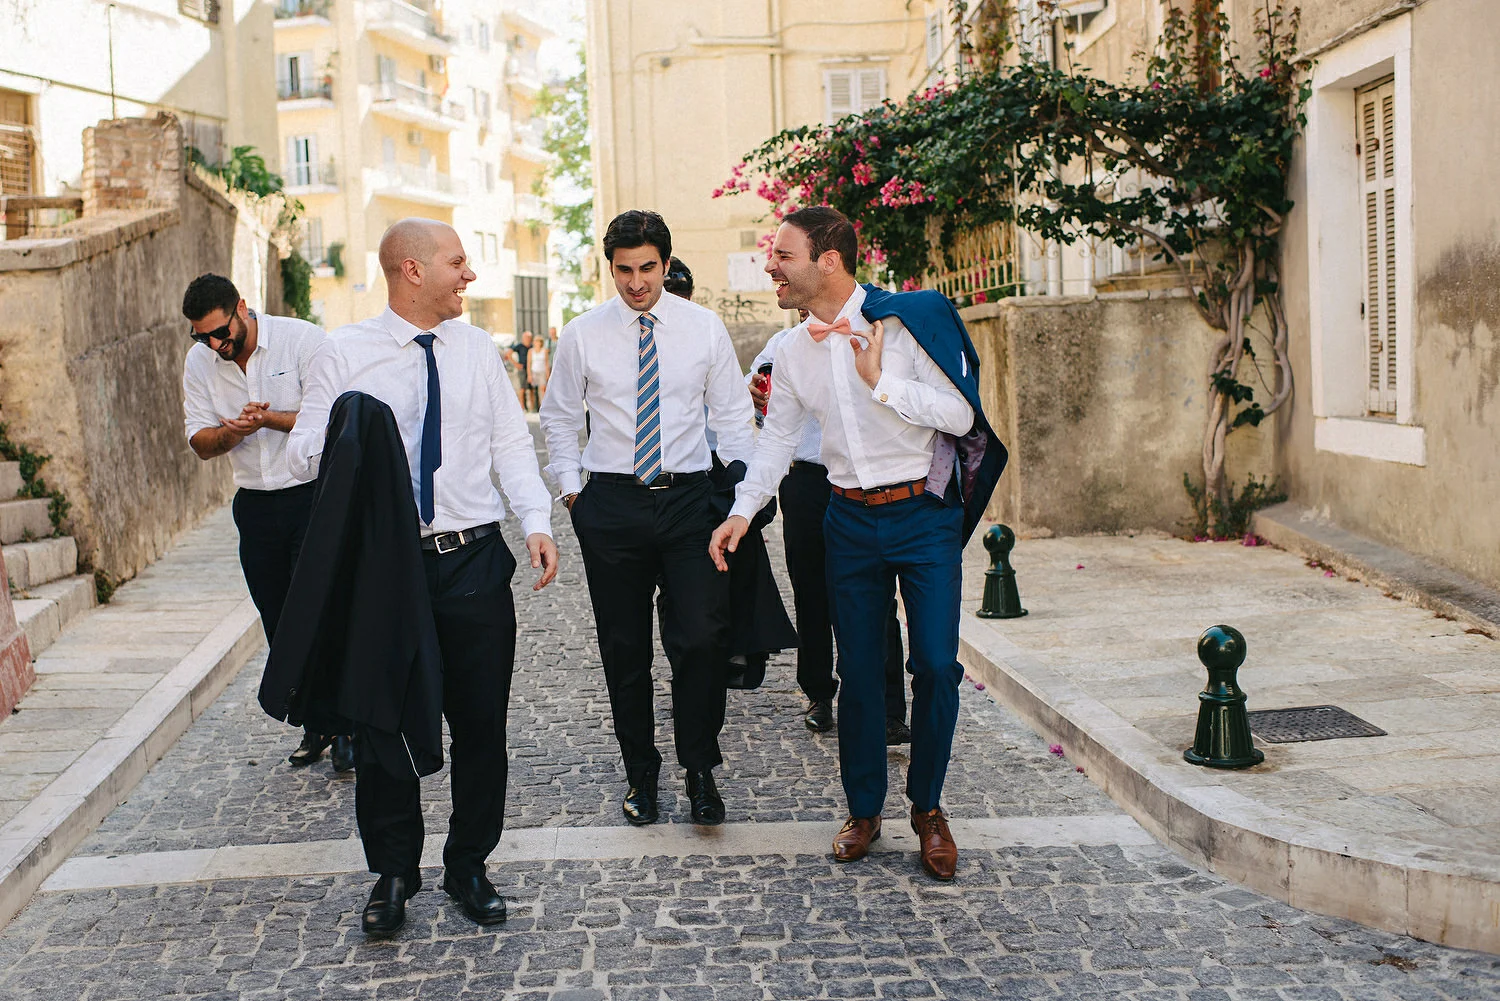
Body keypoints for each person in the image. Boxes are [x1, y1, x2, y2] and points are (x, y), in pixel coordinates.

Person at [711, 207, 1006, 881]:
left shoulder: (906, 323)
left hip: (922, 516)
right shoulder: (788, 352)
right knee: (861, 672)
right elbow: (778, 443)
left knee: (934, 664)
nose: (769, 266)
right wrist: (741, 512)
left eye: (782, 255)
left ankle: (928, 806)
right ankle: (864, 808)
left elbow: (961, 414)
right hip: (846, 521)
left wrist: (883, 382)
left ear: (829, 261)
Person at [283, 218, 559, 937]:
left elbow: (509, 444)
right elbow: (301, 455)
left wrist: (536, 521)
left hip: (471, 558)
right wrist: (352, 423)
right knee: (383, 721)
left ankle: (470, 862)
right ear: (411, 269)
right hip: (384, 571)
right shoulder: (345, 353)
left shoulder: (477, 352)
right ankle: (393, 870)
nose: (469, 275)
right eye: (457, 262)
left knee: (481, 725)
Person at [541, 210, 755, 828]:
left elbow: (735, 420)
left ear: (666, 263)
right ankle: (641, 771)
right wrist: (574, 493)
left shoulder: (704, 328)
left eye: (647, 269)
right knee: (624, 649)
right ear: (610, 268)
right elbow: (559, 418)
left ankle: (699, 768)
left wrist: (738, 502)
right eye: (623, 271)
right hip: (611, 503)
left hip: (691, 502)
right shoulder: (583, 333)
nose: (636, 283)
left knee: (701, 638)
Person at [180, 274, 354, 772]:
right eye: (203, 336)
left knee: (319, 611)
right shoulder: (201, 363)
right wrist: (232, 433)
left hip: (312, 496)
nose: (215, 344)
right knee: (278, 619)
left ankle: (346, 725)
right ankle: (314, 721)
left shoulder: (303, 340)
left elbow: (330, 419)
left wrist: (266, 420)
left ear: (241, 307)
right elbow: (199, 441)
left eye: (220, 331)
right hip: (254, 504)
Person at [747, 312, 912, 741]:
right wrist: (758, 397)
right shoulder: (781, 346)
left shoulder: (873, 336)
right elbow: (762, 404)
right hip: (807, 480)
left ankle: (890, 707)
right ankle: (819, 694)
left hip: (863, 480)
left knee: (878, 594)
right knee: (811, 591)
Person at [510, 330, 536, 412]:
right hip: (522, 369)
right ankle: (522, 407)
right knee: (522, 388)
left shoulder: (532, 346)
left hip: (532, 369)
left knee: (531, 389)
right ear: (523, 338)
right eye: (526, 337)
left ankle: (532, 407)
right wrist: (516, 364)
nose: (528, 339)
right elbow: (508, 353)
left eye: (529, 337)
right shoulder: (519, 346)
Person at [527, 330, 549, 407]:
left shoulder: (544, 351)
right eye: (536, 341)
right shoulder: (530, 351)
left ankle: (543, 405)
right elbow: (529, 364)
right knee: (533, 390)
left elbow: (546, 363)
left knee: (542, 388)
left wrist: (547, 374)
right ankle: (533, 407)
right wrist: (529, 375)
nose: (537, 343)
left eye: (539, 341)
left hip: (542, 372)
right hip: (534, 372)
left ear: (541, 342)